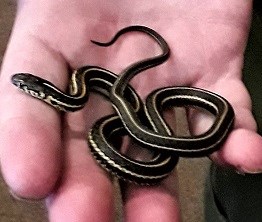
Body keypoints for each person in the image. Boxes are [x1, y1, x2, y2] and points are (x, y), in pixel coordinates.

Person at [0, 1, 260, 221]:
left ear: (41, 92)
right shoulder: (80, 88)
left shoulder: (80, 95)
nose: (23, 85)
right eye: (26, 85)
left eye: (25, 85)